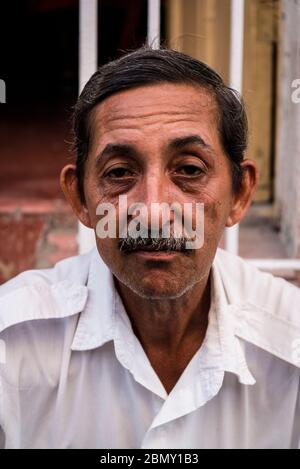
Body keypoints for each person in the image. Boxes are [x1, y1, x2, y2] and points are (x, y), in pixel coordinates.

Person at [0, 47, 299, 449]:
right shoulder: (14, 342)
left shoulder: (290, 346)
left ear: (240, 193)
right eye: (120, 173)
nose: (155, 211)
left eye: (190, 170)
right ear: (81, 200)